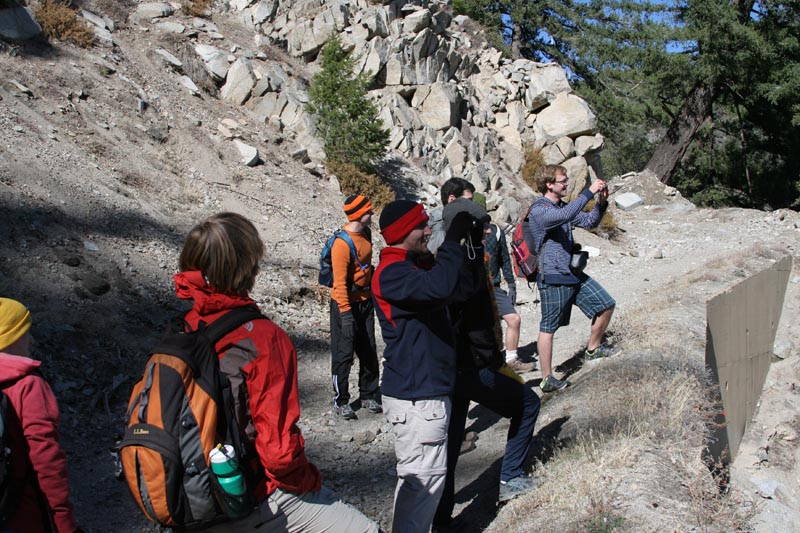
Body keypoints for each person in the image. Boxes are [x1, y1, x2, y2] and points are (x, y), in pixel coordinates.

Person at [174, 212, 379, 533]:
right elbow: (280, 456)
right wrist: (311, 480)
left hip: (190, 493)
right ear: (250, 267)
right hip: (249, 496)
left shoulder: (185, 328)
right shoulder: (262, 338)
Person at [372, 200, 483, 532]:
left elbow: (462, 290)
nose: (428, 231)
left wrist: (472, 245)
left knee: (423, 487)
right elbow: (441, 287)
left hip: (424, 393)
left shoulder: (416, 266)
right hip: (416, 397)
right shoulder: (390, 274)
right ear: (405, 232)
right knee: (421, 487)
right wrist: (452, 240)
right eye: (422, 226)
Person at [432, 194, 542, 531]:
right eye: (480, 229)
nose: (486, 235)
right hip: (472, 366)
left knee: (449, 443)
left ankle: (439, 518)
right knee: (528, 403)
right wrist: (493, 359)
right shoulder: (463, 266)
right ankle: (510, 478)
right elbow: (476, 321)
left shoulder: (438, 264)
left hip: (448, 369)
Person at [528, 165, 617, 393]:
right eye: (563, 181)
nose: (566, 184)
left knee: (606, 305)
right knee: (548, 327)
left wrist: (601, 203)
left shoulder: (562, 206)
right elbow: (563, 217)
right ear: (549, 184)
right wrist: (588, 192)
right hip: (553, 276)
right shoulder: (540, 209)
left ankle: (593, 348)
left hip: (571, 274)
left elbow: (589, 222)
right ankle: (547, 378)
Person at [0, 297, 81, 533]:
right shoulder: (26, 384)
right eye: (26, 332)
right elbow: (46, 461)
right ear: (10, 337)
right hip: (22, 516)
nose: (31, 339)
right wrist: (65, 523)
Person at [329, 194, 381, 420]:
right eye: (369, 211)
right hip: (345, 305)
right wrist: (346, 315)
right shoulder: (342, 244)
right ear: (359, 214)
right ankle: (341, 400)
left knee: (368, 348)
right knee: (344, 353)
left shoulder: (366, 234)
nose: (372, 214)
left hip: (365, 302)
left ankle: (369, 394)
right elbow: (339, 283)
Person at [473, 192, 534, 374]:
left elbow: (504, 259)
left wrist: (512, 283)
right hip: (476, 290)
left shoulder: (496, 231)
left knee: (514, 319)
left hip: (495, 287)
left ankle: (511, 359)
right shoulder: (466, 234)